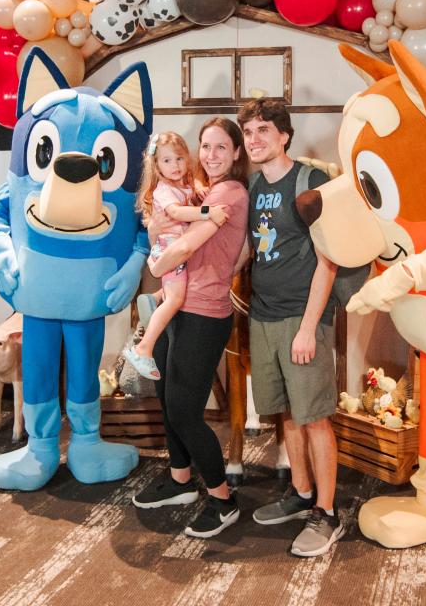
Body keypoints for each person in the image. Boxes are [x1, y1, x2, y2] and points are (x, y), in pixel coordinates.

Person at [131, 118, 249, 539]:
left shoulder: (228, 192)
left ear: (237, 153)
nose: (212, 155)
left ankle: (222, 499)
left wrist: (154, 261)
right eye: (206, 146)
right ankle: (181, 480)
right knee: (166, 396)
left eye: (221, 147)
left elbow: (182, 247)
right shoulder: (198, 189)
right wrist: (155, 231)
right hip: (177, 307)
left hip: (203, 314)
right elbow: (163, 226)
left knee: (184, 410)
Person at [238, 97, 342, 558]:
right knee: (284, 411)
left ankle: (327, 512)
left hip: (302, 320)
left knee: (314, 416)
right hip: (262, 316)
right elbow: (254, 249)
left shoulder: (310, 182)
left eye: (263, 130)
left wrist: (308, 327)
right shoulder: (256, 185)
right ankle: (300, 493)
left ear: (283, 134)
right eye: (248, 132)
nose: (255, 140)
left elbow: (328, 261)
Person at [122, 132, 228, 380]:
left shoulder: (182, 186)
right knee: (176, 299)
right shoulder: (163, 191)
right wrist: (208, 211)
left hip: (174, 252)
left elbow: (192, 193)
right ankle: (143, 348)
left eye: (180, 159)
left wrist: (200, 190)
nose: (175, 166)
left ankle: (155, 298)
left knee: (177, 291)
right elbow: (178, 213)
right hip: (170, 252)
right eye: (167, 161)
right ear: (156, 166)